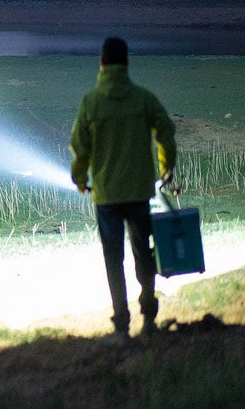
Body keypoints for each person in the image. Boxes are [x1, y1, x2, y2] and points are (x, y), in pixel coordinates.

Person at [69, 37, 176, 345]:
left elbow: (80, 147)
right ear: (127, 63)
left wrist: (79, 179)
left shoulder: (91, 102)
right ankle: (149, 318)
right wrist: (166, 166)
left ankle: (121, 327)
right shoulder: (143, 98)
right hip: (140, 191)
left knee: (113, 259)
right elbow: (166, 130)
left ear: (101, 63)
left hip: (106, 196)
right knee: (144, 254)